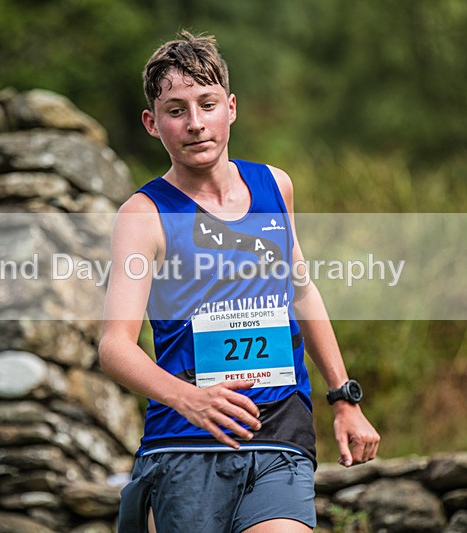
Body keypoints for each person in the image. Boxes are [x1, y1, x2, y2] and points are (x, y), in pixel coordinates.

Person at [99, 31, 380, 533]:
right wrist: (190, 399)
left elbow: (302, 292)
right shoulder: (143, 216)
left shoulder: (276, 186)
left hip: (279, 435)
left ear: (231, 107)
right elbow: (115, 347)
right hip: (186, 443)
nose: (196, 123)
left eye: (207, 104)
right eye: (176, 109)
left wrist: (343, 397)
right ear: (152, 122)